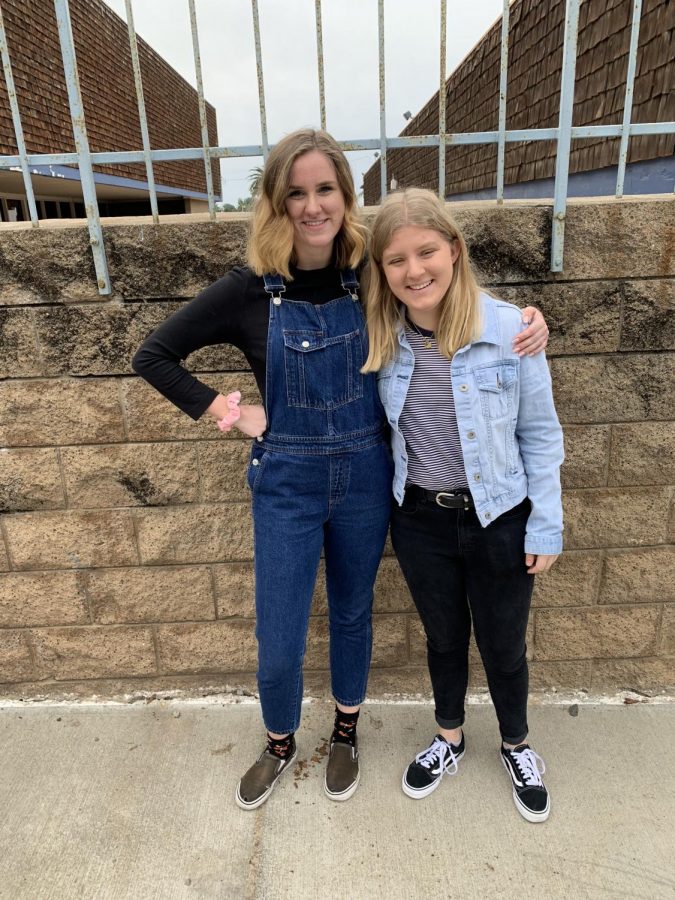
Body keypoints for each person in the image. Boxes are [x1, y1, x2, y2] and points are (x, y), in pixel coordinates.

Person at [132, 130, 550, 811]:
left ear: (346, 196)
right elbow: (153, 355)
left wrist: (527, 322)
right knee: (279, 629)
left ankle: (346, 732)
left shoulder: (371, 279)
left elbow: (442, 296)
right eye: (295, 192)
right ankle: (278, 742)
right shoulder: (246, 291)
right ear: (274, 202)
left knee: (352, 614)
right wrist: (229, 412)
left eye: (324, 188)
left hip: (364, 475)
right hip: (287, 482)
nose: (312, 205)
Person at [362, 188, 563, 823]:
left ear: (455, 249)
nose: (414, 271)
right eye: (395, 260)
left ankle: (516, 743)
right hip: (418, 516)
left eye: (426, 252)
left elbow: (540, 431)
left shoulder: (511, 330)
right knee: (444, 637)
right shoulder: (379, 334)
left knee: (504, 643)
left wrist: (547, 525)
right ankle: (449, 737)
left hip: (500, 516)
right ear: (381, 270)